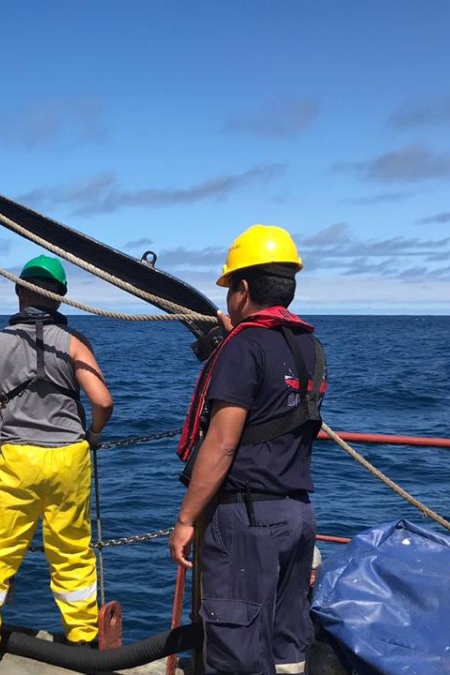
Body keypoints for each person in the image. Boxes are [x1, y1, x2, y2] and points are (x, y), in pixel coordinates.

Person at [168, 225, 327, 675]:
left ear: (241, 288)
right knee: (286, 642)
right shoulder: (309, 346)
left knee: (236, 651)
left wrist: (185, 520)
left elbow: (222, 444)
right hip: (297, 516)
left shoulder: (244, 348)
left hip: (247, 520)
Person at [0, 255, 113, 671]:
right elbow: (102, 400)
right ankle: (82, 641)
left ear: (18, 290)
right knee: (73, 552)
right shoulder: (76, 343)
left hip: (18, 458)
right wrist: (92, 434)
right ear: (60, 298)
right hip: (69, 458)